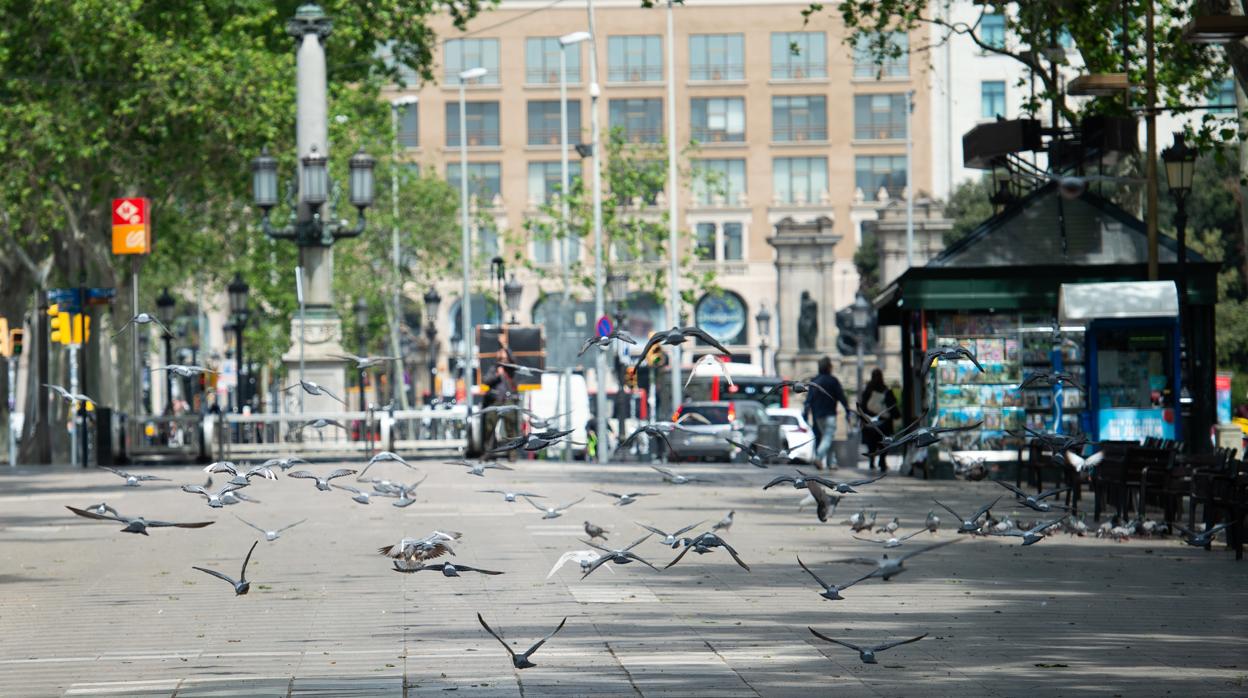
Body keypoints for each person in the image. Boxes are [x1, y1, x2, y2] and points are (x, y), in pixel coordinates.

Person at [803, 356, 850, 470]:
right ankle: (819, 457)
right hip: (829, 414)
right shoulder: (833, 381)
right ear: (829, 367)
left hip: (818, 415)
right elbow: (841, 397)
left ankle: (831, 462)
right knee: (828, 437)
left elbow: (809, 399)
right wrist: (847, 410)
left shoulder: (814, 381)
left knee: (826, 437)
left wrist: (805, 411)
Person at [858, 368, 898, 471]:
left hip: (870, 423)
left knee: (871, 443)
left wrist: (862, 419)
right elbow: (892, 406)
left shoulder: (867, 390)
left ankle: (872, 461)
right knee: (883, 442)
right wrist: (897, 415)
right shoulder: (886, 390)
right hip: (884, 423)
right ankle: (882, 461)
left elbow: (862, 407)